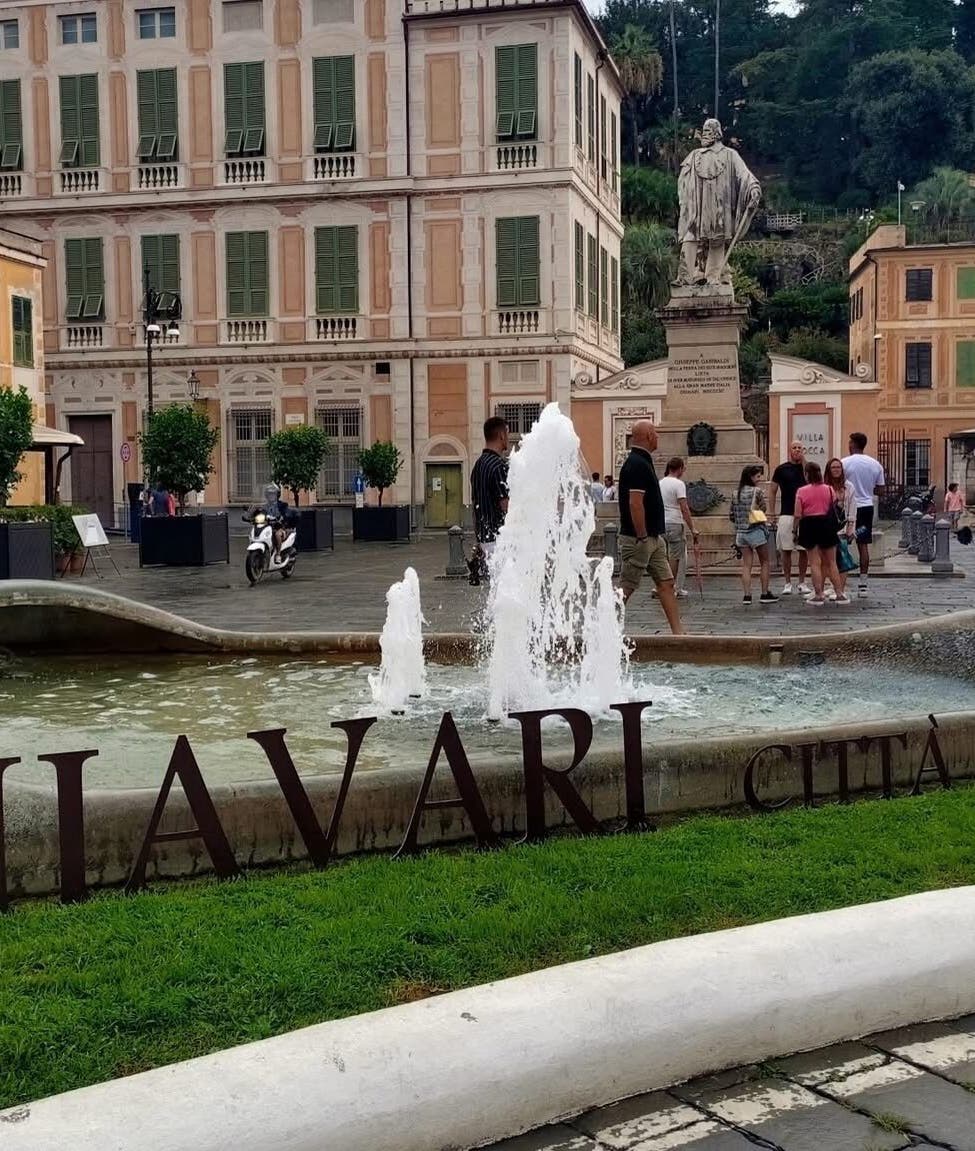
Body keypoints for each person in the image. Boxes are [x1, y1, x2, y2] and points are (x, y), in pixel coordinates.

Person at [617, 419, 684, 635]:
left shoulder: (643, 461)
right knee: (627, 587)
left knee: (666, 583)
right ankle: (601, 628)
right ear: (647, 436)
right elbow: (635, 503)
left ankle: (679, 633)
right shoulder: (636, 464)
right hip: (639, 538)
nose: (658, 437)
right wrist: (642, 535)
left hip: (654, 538)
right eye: (655, 433)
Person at [677, 118, 762, 286]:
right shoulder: (694, 156)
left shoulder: (730, 155)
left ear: (716, 134)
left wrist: (753, 188)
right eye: (704, 131)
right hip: (697, 206)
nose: (704, 135)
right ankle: (685, 276)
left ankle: (712, 276)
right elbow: (683, 181)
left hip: (719, 207)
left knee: (717, 238)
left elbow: (744, 174)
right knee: (690, 236)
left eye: (708, 131)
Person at [794, 461, 845, 606]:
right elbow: (836, 504)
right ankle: (840, 593)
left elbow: (798, 514)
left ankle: (818, 594)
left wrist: (794, 530)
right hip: (827, 525)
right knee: (832, 562)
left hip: (809, 525)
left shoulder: (801, 491)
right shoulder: (828, 489)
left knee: (815, 563)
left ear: (807, 474)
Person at [841, 432, 885, 598]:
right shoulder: (875, 464)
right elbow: (881, 490)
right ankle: (863, 583)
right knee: (863, 544)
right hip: (866, 507)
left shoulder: (845, 462)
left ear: (852, 444)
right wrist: (867, 489)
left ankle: (840, 581)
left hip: (847, 507)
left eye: (849, 442)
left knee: (842, 542)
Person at [730, 465, 777, 605]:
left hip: (741, 534)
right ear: (751, 477)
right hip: (755, 531)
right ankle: (764, 593)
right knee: (764, 562)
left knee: (746, 565)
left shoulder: (735, 493)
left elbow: (731, 515)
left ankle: (747, 595)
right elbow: (763, 509)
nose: (759, 479)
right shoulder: (757, 491)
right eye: (757, 476)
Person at [768, 440, 810, 596]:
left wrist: (803, 460)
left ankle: (802, 582)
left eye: (800, 448)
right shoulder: (781, 469)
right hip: (786, 514)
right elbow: (772, 490)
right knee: (786, 550)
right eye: (794, 448)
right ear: (789, 450)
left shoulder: (807, 468)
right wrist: (771, 512)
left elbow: (811, 480)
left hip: (805, 515)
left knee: (803, 550)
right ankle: (787, 582)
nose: (797, 450)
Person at [470, 416, 510, 577]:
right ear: (501, 435)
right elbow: (506, 505)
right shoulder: (498, 466)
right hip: (499, 539)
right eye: (507, 433)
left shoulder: (478, 466)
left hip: (485, 539)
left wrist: (479, 539)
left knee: (496, 589)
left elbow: (475, 505)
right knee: (509, 586)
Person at [659, 457, 697, 599]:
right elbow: (684, 507)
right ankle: (672, 587)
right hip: (675, 522)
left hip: (662, 523)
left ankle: (664, 585)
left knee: (664, 556)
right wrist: (692, 527)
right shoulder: (679, 484)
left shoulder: (660, 483)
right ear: (679, 468)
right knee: (676, 557)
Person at [825, 457, 856, 602]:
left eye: (839, 467)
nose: (836, 470)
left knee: (842, 559)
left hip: (842, 527)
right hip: (827, 527)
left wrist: (851, 527)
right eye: (833, 467)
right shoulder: (825, 486)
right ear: (828, 470)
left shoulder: (848, 486)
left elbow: (852, 508)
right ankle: (832, 586)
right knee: (827, 560)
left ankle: (841, 589)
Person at [243, 482, 292, 556]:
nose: (271, 496)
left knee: (277, 535)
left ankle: (278, 554)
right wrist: (249, 515)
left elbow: (286, 514)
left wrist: (282, 518)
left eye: (273, 494)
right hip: (266, 527)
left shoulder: (283, 505)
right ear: (266, 495)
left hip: (279, 527)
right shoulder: (264, 506)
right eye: (269, 494)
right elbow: (258, 512)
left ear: (277, 495)